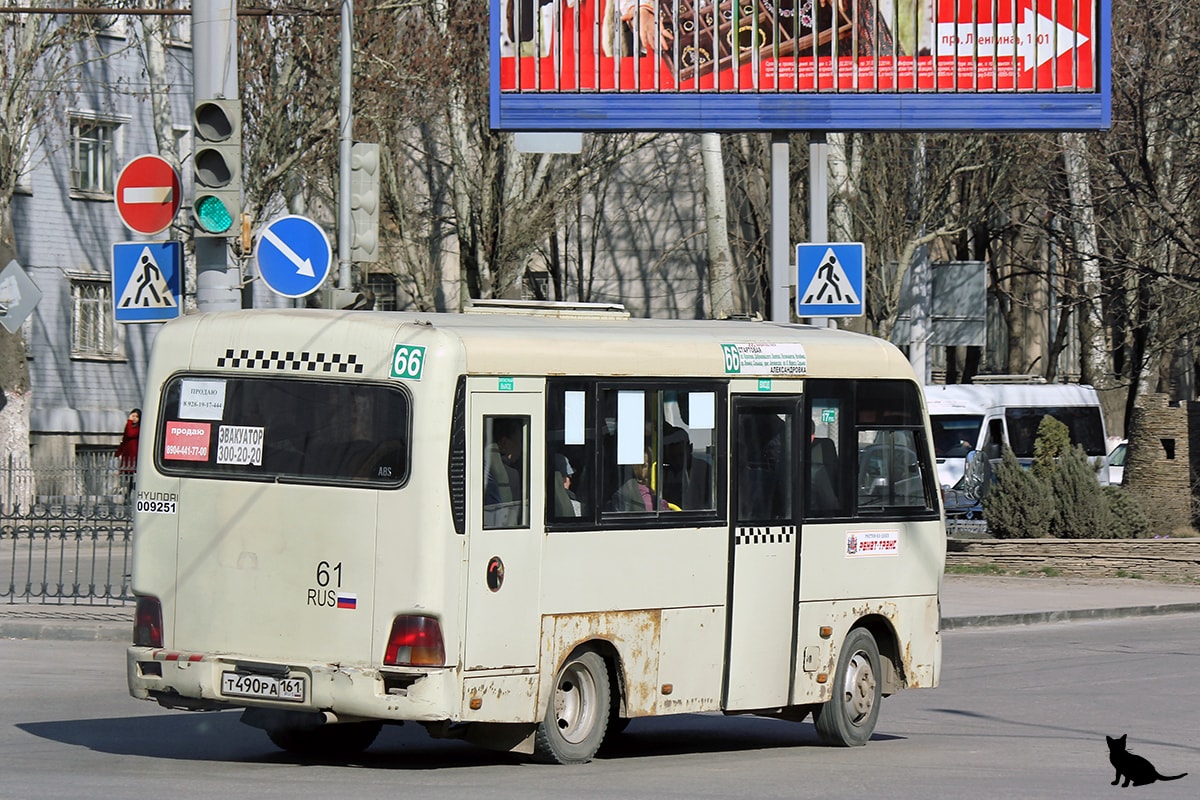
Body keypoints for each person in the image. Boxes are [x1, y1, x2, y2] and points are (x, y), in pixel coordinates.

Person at [115, 408, 140, 501]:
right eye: (132, 416)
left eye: (136, 417)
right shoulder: (129, 426)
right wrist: (118, 453)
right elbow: (124, 439)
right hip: (127, 456)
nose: (134, 419)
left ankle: (130, 495)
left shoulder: (138, 428)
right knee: (126, 478)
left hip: (134, 456)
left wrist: (129, 421)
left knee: (132, 477)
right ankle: (126, 496)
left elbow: (130, 434)